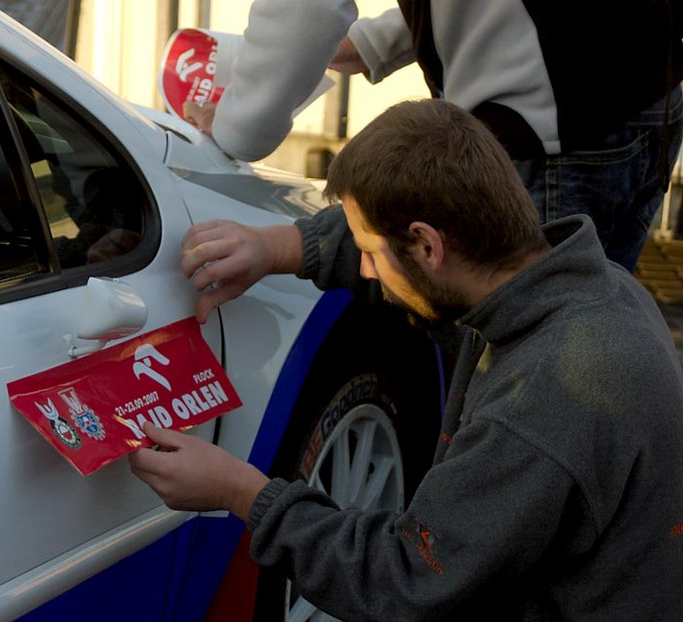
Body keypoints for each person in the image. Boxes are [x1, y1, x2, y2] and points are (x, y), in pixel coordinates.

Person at [131, 99, 683, 620]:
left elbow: (408, 583)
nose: (366, 272)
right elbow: (405, 252)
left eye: (371, 253)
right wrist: (280, 248)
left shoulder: (544, 402)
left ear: (427, 246)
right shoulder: (591, 287)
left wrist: (240, 492)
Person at [183, 0, 683, 272]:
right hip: (651, 96)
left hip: (545, 129)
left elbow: (306, 8)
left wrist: (236, 125)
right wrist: (371, 42)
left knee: (524, 373)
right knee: (603, 334)